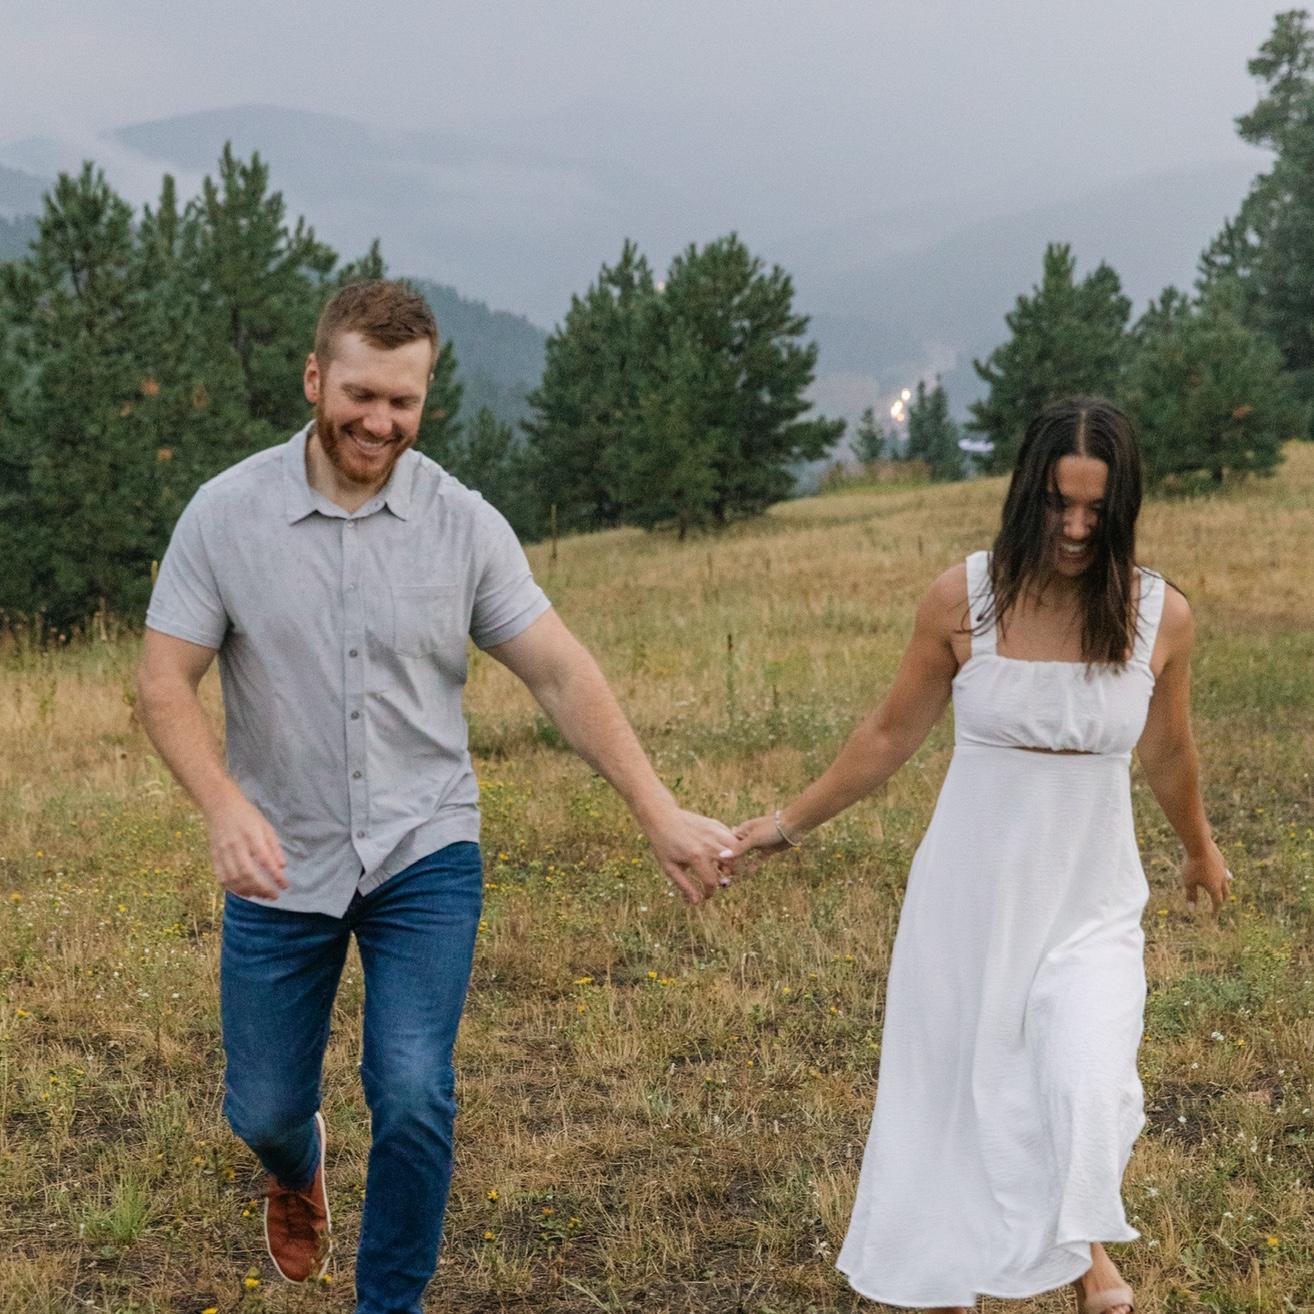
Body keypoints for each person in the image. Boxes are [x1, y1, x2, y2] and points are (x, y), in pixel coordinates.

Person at [135, 280, 738, 1314]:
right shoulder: (226, 515)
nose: (379, 422)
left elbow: (557, 670)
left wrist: (657, 808)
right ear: (316, 378)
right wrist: (223, 806)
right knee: (263, 1105)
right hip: (282, 855)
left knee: (413, 1090)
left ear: (426, 400)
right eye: (361, 395)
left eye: (403, 403)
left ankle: (391, 1304)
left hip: (426, 848)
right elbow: (163, 682)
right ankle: (296, 1162)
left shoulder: (464, 525)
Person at [729, 397, 1229, 1314]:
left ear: (1122, 510)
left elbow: (1168, 749)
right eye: (1056, 504)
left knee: (1082, 1077)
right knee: (960, 1097)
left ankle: (1081, 1254)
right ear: (1022, 494)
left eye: (1096, 511)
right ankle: (953, 1278)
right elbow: (888, 734)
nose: (1076, 528)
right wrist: (782, 826)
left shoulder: (1161, 615)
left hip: (1090, 899)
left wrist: (1199, 850)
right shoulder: (965, 600)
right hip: (970, 898)